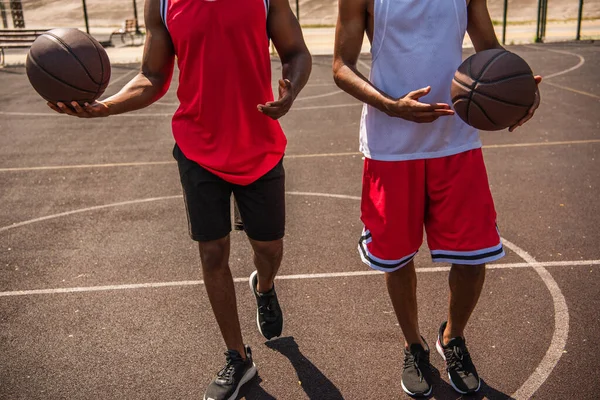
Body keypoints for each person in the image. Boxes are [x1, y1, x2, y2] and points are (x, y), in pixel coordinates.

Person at [48, 0, 312, 398]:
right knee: (212, 252)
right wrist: (105, 108)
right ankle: (238, 357)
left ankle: (264, 286)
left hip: (258, 143)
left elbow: (296, 52)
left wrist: (291, 89)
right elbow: (152, 76)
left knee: (269, 247)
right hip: (197, 147)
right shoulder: (165, 2)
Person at [333, 0, 540, 396]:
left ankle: (453, 337)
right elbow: (342, 66)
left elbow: (491, 51)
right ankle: (413, 345)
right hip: (392, 146)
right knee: (396, 259)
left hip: (456, 141)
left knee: (475, 258)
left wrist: (523, 91)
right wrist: (391, 106)